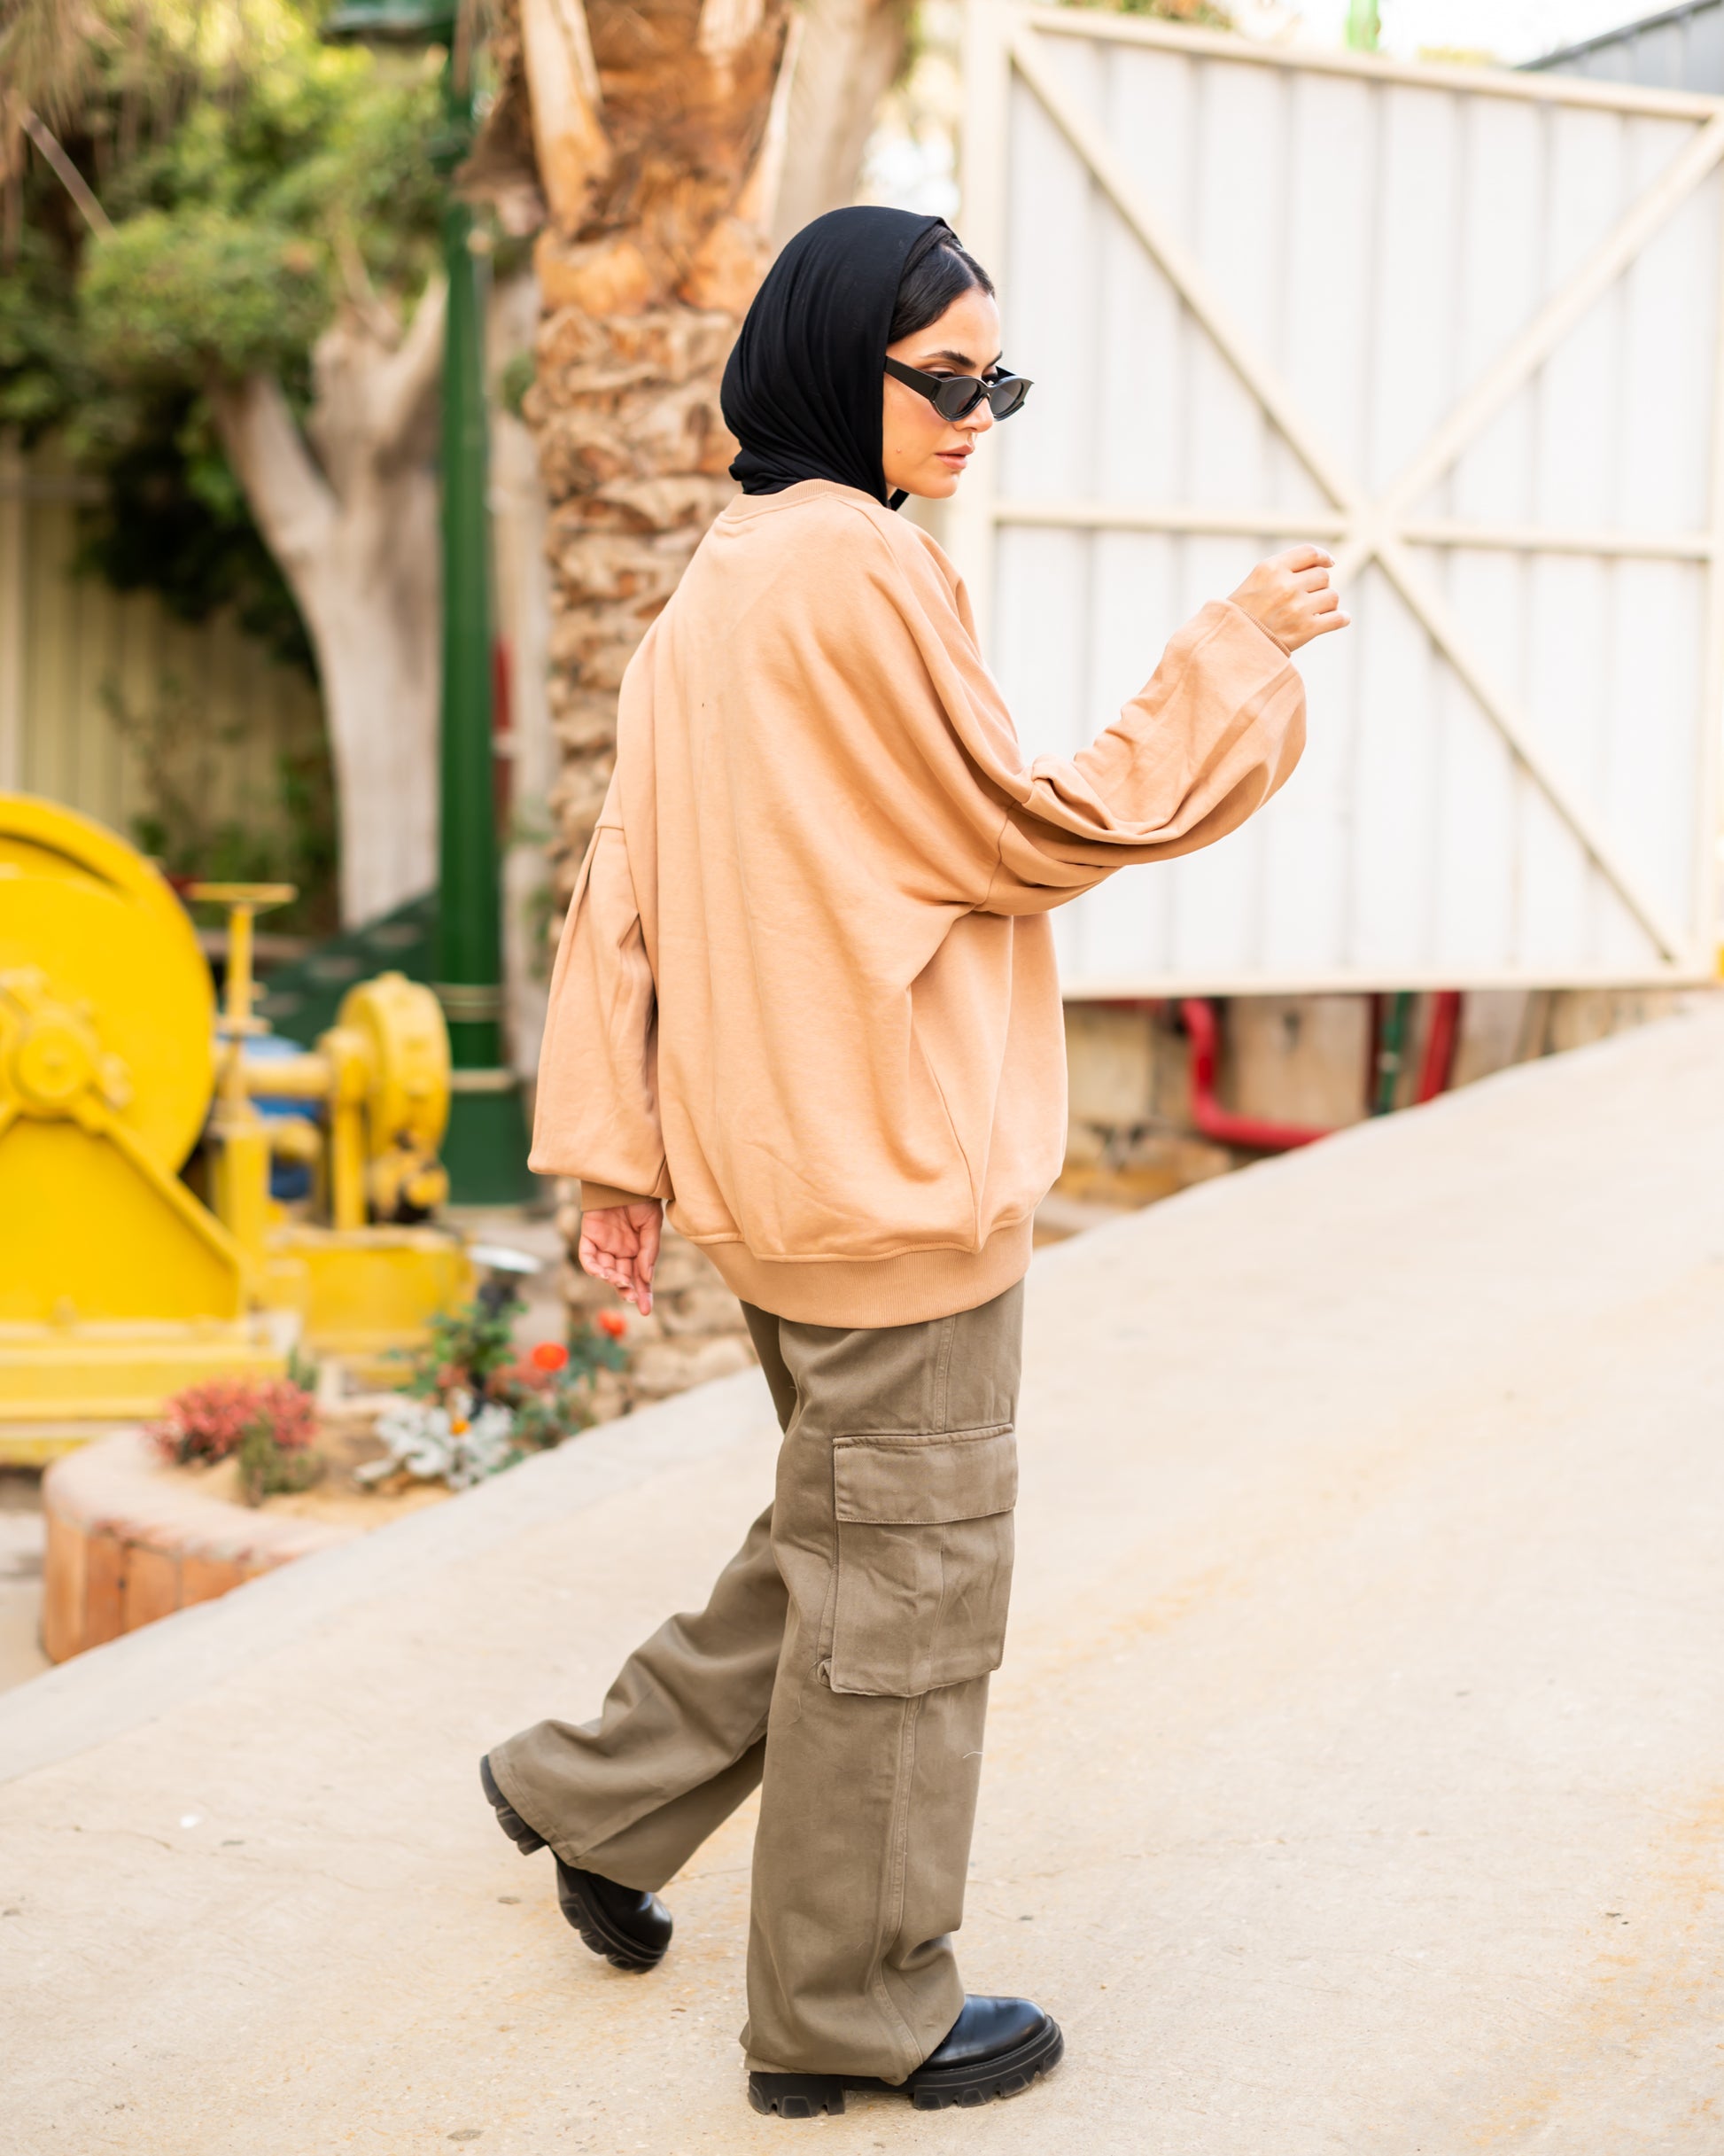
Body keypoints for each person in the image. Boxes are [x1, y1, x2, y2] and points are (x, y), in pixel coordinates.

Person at [480, 206, 1347, 2120]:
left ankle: (593, 1795)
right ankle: (846, 2008)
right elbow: (1023, 829)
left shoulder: (715, 582)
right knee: (910, 1597)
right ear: (831, 363)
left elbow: (624, 877)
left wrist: (615, 1152)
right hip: (888, 1174)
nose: (974, 415)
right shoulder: (864, 569)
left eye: (995, 383)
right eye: (943, 378)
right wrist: (1231, 657)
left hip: (781, 1175)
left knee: (843, 1534)